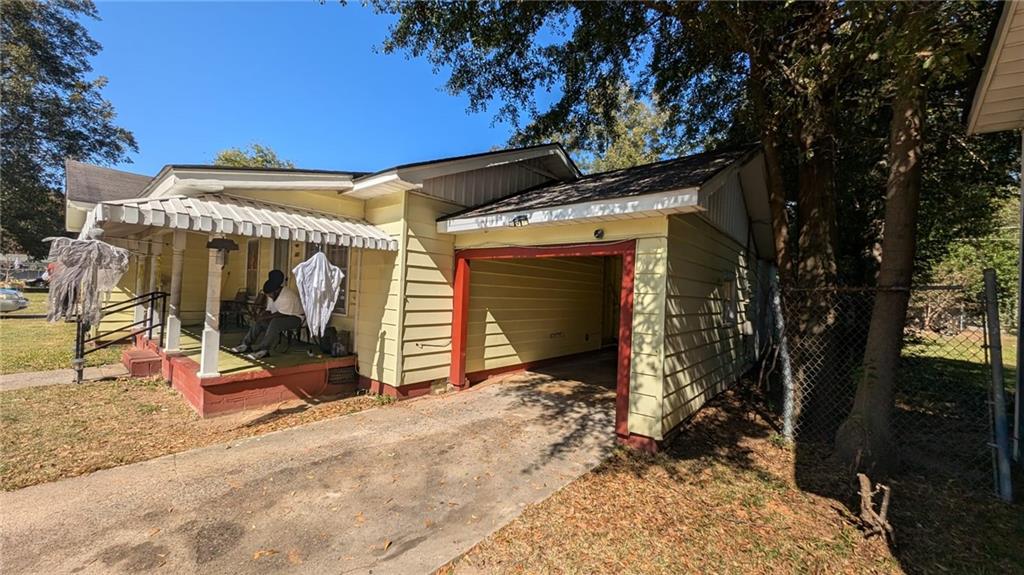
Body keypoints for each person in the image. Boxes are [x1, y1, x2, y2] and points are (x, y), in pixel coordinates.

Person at [230, 276, 304, 360]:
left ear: (276, 291)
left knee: (275, 323)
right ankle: (245, 345)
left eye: (270, 294)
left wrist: (265, 317)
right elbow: (269, 310)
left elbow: (282, 314)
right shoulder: (273, 294)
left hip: (296, 318)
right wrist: (261, 316)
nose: (269, 296)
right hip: (280, 316)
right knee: (260, 322)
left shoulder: (287, 296)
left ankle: (263, 350)